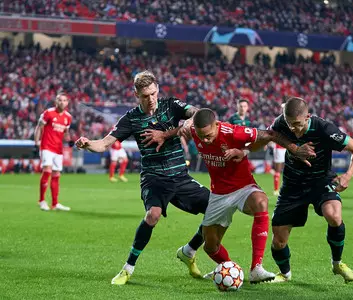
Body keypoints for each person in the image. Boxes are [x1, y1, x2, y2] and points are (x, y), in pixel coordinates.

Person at [75, 70, 209, 285]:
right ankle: (128, 268)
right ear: (136, 94)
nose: (151, 99)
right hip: (154, 177)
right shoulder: (131, 119)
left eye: (154, 94)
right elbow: (104, 143)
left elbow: (199, 113)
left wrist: (187, 123)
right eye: (145, 96)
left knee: (216, 210)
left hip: (180, 176)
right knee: (152, 215)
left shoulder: (172, 105)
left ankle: (189, 250)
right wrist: (88, 143)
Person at [246, 97, 353, 284]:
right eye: (290, 124)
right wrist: (293, 148)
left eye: (298, 124)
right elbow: (269, 135)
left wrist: (347, 175)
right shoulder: (281, 123)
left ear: (308, 117)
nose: (293, 129)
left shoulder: (324, 128)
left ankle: (337, 263)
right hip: (293, 184)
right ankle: (285, 274)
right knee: (278, 241)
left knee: (334, 216)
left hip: (321, 180)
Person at [190, 108, 315, 283]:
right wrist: (165, 134)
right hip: (218, 193)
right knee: (210, 246)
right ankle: (229, 269)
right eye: (201, 136)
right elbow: (180, 127)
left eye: (208, 135)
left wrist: (294, 149)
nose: (205, 140)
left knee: (261, 201)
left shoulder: (234, 132)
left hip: (243, 187)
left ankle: (256, 268)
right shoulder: (192, 130)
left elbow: (270, 134)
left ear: (216, 125)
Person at [34, 92, 73, 212]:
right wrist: (36, 142)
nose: (62, 102)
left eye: (64, 100)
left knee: (56, 175)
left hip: (58, 149)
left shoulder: (68, 117)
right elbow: (39, 127)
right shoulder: (48, 113)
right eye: (60, 100)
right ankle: (42, 201)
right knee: (47, 171)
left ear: (67, 103)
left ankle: (55, 204)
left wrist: (70, 140)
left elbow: (65, 132)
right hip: (46, 146)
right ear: (56, 102)